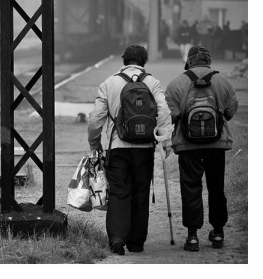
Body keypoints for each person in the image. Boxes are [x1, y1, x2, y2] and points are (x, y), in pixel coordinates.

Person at [87, 44, 173, 255]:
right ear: (144, 61)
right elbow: (163, 112)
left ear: (124, 60)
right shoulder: (152, 82)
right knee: (141, 192)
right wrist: (165, 140)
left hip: (118, 147)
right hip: (144, 148)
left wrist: (94, 143)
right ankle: (136, 242)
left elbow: (96, 119)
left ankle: (117, 238)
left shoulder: (109, 83)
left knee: (118, 193)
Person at [165, 46, 238, 252]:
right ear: (208, 61)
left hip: (187, 145)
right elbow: (231, 111)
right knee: (216, 186)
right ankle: (217, 232)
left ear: (189, 62)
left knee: (190, 187)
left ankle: (192, 236)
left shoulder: (176, 83)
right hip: (216, 144)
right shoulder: (222, 81)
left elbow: (169, 115)